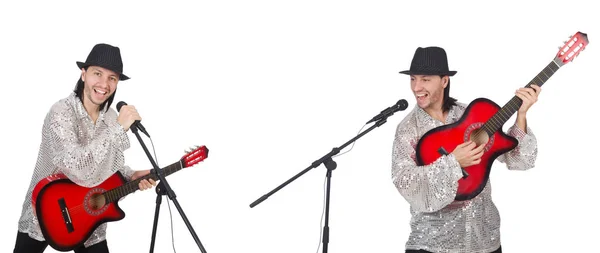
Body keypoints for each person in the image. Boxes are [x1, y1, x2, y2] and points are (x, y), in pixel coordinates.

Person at [391, 46, 541, 253]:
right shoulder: (408, 129)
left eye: (425, 79)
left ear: (444, 81)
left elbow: (520, 161)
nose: (416, 87)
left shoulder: (471, 114)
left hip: (485, 241)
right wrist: (453, 162)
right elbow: (405, 182)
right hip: (433, 245)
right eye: (413, 79)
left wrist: (521, 115)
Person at [13, 43, 157, 253]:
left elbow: (107, 167)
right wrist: (118, 129)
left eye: (112, 78)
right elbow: (78, 168)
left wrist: (131, 176)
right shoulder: (61, 112)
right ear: (83, 74)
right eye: (97, 73)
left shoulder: (110, 118)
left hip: (89, 216)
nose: (104, 83)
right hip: (46, 210)